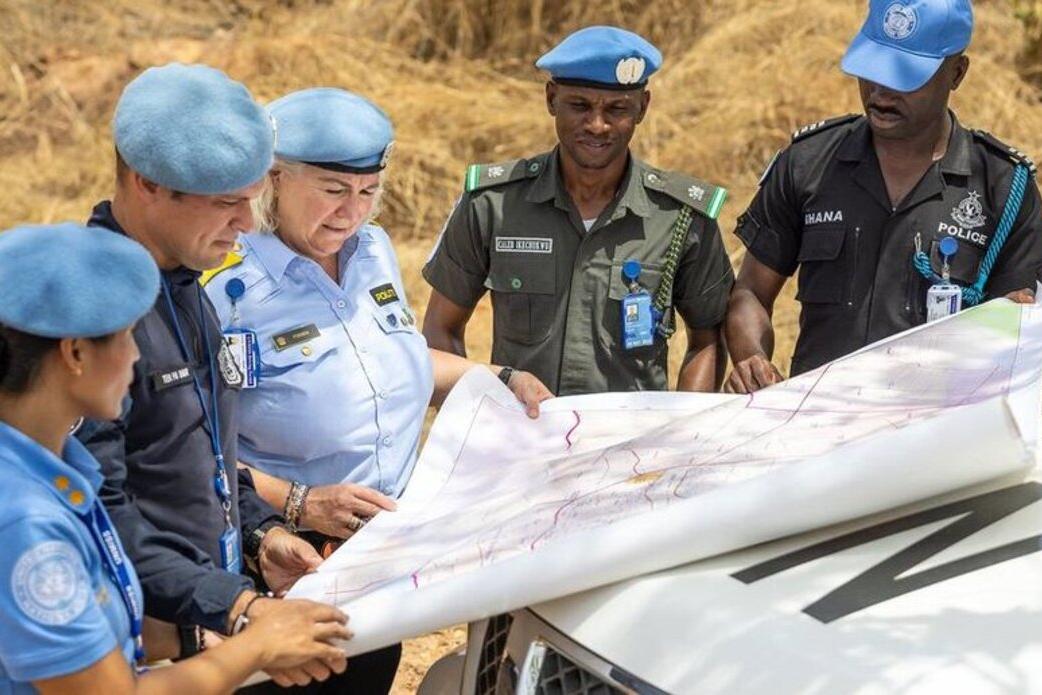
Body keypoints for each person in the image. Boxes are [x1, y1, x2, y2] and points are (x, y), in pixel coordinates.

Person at [202, 87, 552, 693]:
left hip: (381, 552)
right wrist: (297, 504)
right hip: (283, 560)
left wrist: (497, 377)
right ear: (274, 180)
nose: (351, 213)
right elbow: (187, 441)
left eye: (368, 192)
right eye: (334, 191)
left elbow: (399, 361)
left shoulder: (373, 250)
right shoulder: (221, 280)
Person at [0, 222, 350, 693]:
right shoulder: (25, 520)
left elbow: (91, 626)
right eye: (128, 339)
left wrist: (224, 625)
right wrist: (258, 647)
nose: (134, 359)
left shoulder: (55, 471)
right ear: (77, 353)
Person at [75, 63, 338, 687]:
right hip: (146, 642)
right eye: (227, 204)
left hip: (209, 615)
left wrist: (262, 534)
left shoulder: (188, 282)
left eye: (252, 200)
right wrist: (232, 605)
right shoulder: (93, 315)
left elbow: (195, 454)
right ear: (147, 185)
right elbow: (100, 513)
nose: (248, 224)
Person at [725, 0, 1042, 393]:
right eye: (872, 71)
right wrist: (751, 357)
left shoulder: (1003, 186)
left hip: (938, 429)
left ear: (957, 73)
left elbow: (1017, 329)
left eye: (905, 77)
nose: (881, 92)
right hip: (816, 420)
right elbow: (751, 292)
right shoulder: (809, 164)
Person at [421, 25, 735, 396]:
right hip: (524, 440)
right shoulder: (493, 204)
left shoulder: (681, 217)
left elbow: (709, 338)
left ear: (643, 108)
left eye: (617, 109)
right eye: (580, 106)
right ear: (551, 98)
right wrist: (476, 420)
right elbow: (441, 329)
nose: (597, 125)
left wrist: (679, 437)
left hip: (630, 445)